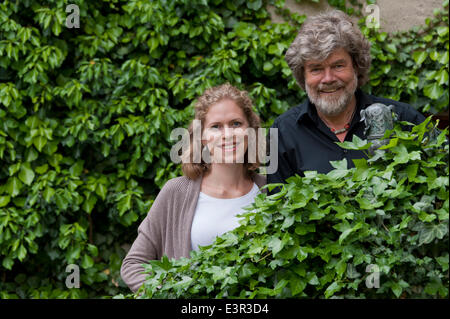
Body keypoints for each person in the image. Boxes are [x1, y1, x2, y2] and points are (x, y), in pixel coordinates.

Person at [120, 83, 266, 293]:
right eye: (216, 126)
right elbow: (134, 264)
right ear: (203, 137)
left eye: (236, 123)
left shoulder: (269, 191)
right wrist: (170, 293)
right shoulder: (176, 192)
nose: (227, 134)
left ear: (250, 130)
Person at [267, 10, 426, 187]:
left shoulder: (404, 119)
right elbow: (276, 205)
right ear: (303, 76)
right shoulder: (282, 132)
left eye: (338, 65)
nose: (328, 79)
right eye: (316, 69)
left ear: (356, 67)